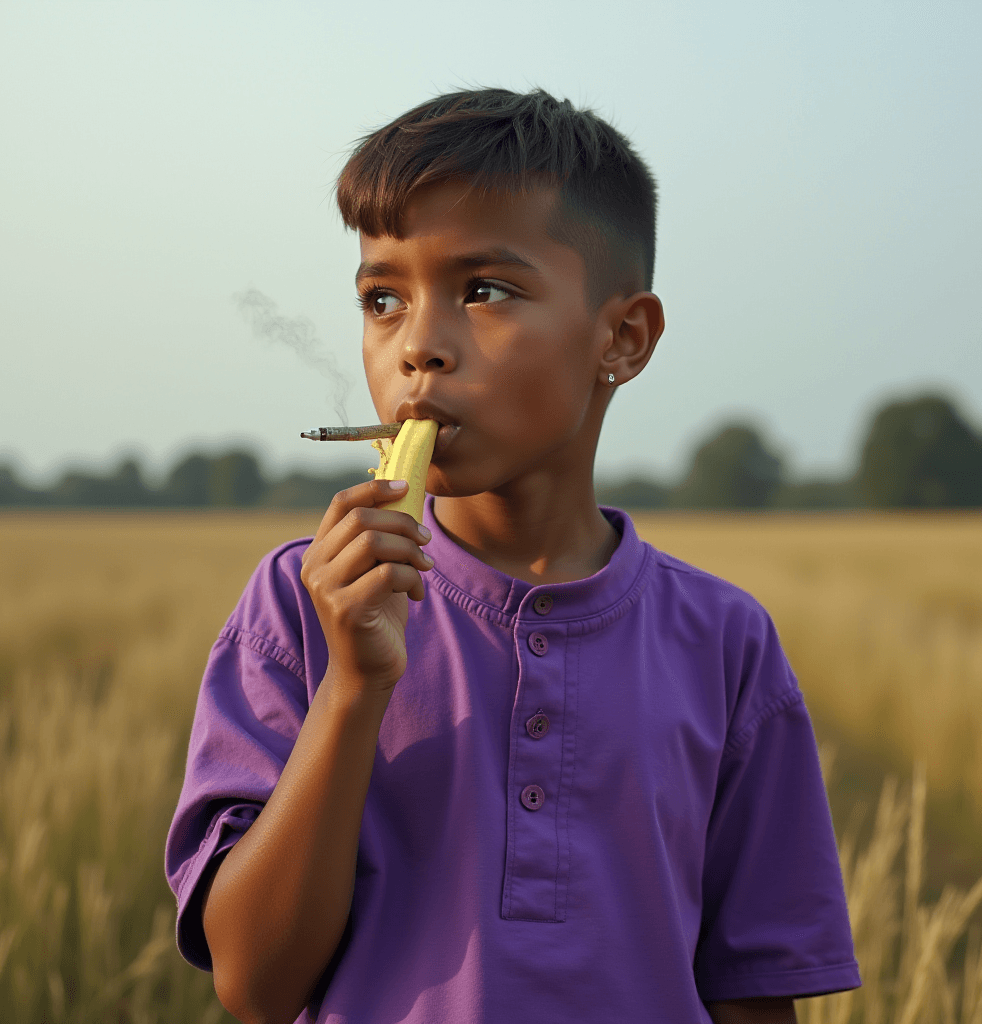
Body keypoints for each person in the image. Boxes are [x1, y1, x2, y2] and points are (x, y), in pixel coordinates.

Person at [165, 87, 860, 1024]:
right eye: (382, 298)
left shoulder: (725, 643)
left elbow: (754, 993)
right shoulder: (301, 604)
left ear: (623, 337)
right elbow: (255, 985)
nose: (418, 347)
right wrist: (351, 688)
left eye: (483, 290)